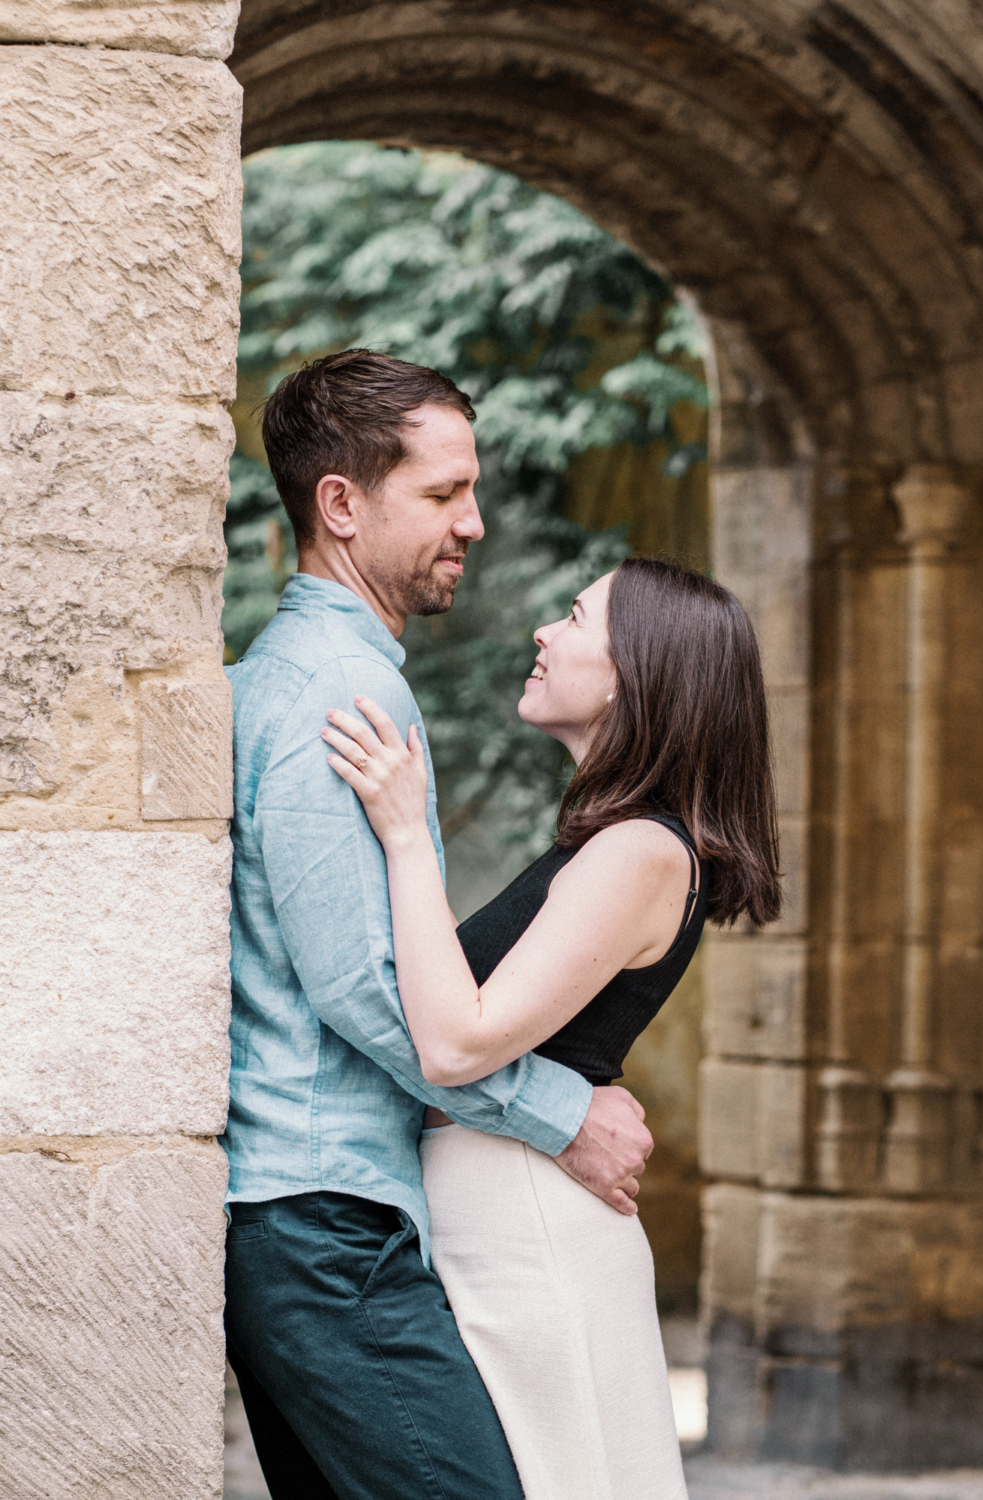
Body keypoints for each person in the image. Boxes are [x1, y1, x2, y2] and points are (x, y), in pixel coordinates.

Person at [221, 348, 654, 1500]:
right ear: (341, 505)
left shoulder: (323, 671)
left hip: (323, 1218)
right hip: (321, 1224)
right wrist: (561, 1113)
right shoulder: (331, 688)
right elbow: (360, 988)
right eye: (441, 493)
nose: (473, 521)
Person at [323, 554, 782, 1500]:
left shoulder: (643, 851)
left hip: (529, 1227)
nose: (544, 632)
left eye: (575, 619)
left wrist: (406, 836)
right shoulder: (607, 842)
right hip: (502, 1209)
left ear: (637, 673)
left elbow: (456, 1042)